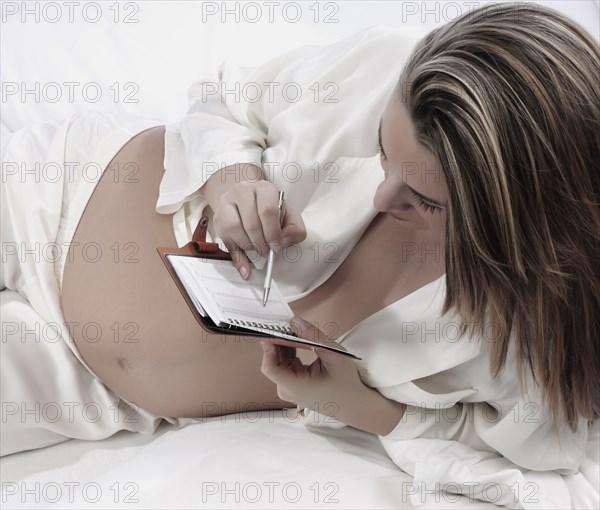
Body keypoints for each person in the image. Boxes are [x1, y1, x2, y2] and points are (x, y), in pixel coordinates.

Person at [1, 2, 598, 507]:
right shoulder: (397, 66)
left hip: (86, 387)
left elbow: (530, 468)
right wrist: (233, 181)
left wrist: (359, 407)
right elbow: (231, 102)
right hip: (52, 196)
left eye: (426, 201)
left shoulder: (535, 347)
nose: (382, 194)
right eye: (382, 152)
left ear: (521, 228)